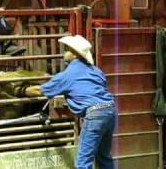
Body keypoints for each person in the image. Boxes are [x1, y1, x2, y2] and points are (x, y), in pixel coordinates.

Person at [25, 35, 117, 169]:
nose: (64, 52)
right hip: (110, 110)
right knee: (104, 156)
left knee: (82, 162)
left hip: (95, 114)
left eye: (67, 49)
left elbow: (41, 90)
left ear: (75, 55)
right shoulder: (96, 71)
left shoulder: (68, 74)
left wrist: (22, 90)